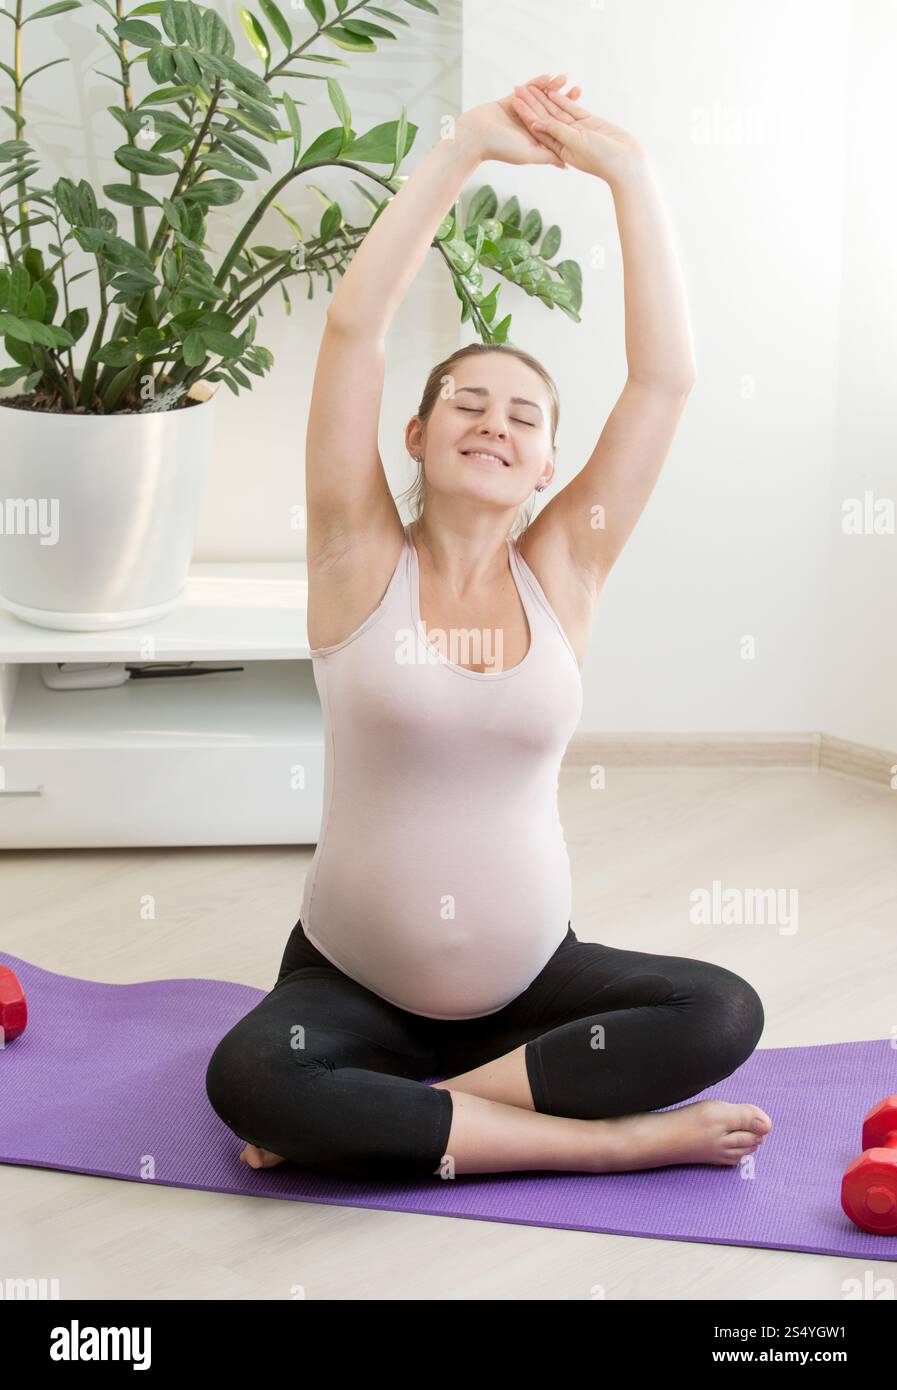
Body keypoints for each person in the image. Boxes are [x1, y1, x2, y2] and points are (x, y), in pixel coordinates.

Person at [205, 73, 772, 1181]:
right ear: (415, 435)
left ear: (548, 465)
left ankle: (403, 1115)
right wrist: (464, 147)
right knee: (251, 1079)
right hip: (348, 987)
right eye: (466, 401)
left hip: (531, 993)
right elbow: (355, 327)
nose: (493, 422)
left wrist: (629, 172)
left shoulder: (565, 567)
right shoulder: (356, 554)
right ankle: (604, 1147)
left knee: (722, 1012)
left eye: (524, 415)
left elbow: (664, 380)